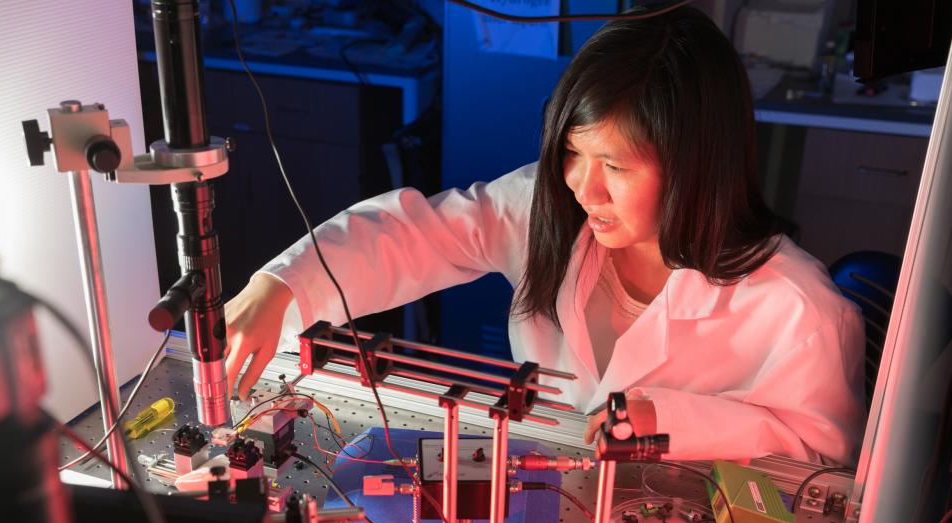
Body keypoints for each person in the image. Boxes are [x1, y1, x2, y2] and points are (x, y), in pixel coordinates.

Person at [221, 6, 867, 465]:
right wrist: (284, 282)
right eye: (573, 153)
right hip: (556, 497)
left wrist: (668, 422)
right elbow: (416, 234)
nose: (584, 190)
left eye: (616, 166)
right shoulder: (551, 206)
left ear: (698, 162)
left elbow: (824, 469)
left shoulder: (800, 310)